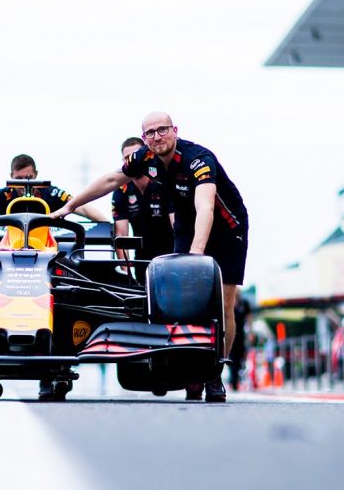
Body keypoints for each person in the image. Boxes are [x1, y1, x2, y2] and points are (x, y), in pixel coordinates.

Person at [51, 111, 249, 403]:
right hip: (186, 222)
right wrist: (69, 207)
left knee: (223, 301)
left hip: (226, 227)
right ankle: (192, 370)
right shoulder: (144, 158)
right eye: (150, 133)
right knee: (185, 302)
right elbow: (110, 179)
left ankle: (214, 374)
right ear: (144, 138)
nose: (157, 137)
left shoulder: (198, 159)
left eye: (162, 130)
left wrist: (196, 255)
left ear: (174, 130)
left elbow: (206, 207)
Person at [0, 153, 109, 222]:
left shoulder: (53, 193)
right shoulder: (2, 195)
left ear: (36, 175)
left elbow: (82, 207)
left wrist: (107, 225)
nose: (24, 183)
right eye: (18, 179)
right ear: (11, 176)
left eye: (28, 178)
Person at [112, 137, 174, 281]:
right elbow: (121, 235)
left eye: (135, 156)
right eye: (127, 158)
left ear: (146, 156)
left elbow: (176, 224)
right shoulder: (121, 190)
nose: (132, 161)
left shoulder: (162, 180)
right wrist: (126, 274)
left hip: (171, 256)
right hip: (141, 259)